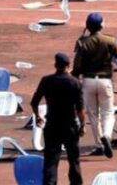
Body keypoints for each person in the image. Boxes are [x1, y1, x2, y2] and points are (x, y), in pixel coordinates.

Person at [72, 12, 117, 158]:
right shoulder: (110, 41)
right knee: (108, 112)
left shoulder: (82, 43)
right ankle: (106, 135)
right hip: (105, 80)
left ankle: (99, 145)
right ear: (101, 25)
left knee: (93, 115)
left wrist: (73, 78)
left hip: (88, 81)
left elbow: (77, 67)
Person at [31, 52, 86, 185]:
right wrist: (82, 125)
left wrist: (37, 116)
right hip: (70, 125)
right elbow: (80, 109)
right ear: (68, 65)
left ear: (55, 65)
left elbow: (34, 102)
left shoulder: (46, 81)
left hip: (52, 124)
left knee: (51, 160)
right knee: (74, 160)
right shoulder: (75, 82)